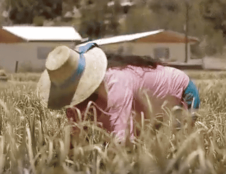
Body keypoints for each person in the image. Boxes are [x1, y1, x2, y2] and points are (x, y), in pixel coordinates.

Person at [36, 42, 201, 146]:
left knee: (176, 148)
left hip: (182, 95)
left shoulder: (116, 84)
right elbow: (76, 137)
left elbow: (123, 142)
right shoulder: (75, 102)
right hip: (146, 109)